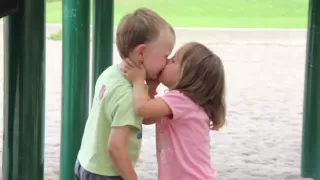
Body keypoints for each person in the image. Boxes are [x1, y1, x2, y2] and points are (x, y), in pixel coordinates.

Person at [74, 8, 175, 180]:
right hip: (107, 173)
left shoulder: (111, 73)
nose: (166, 63)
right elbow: (115, 147)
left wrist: (150, 86)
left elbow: (144, 116)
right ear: (141, 53)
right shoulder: (127, 96)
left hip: (86, 162)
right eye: (165, 56)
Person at [121, 42, 226, 180]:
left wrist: (138, 81)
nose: (168, 60)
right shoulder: (185, 103)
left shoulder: (182, 101)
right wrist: (151, 88)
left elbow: (142, 109)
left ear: (187, 75)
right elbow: (147, 119)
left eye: (174, 60)